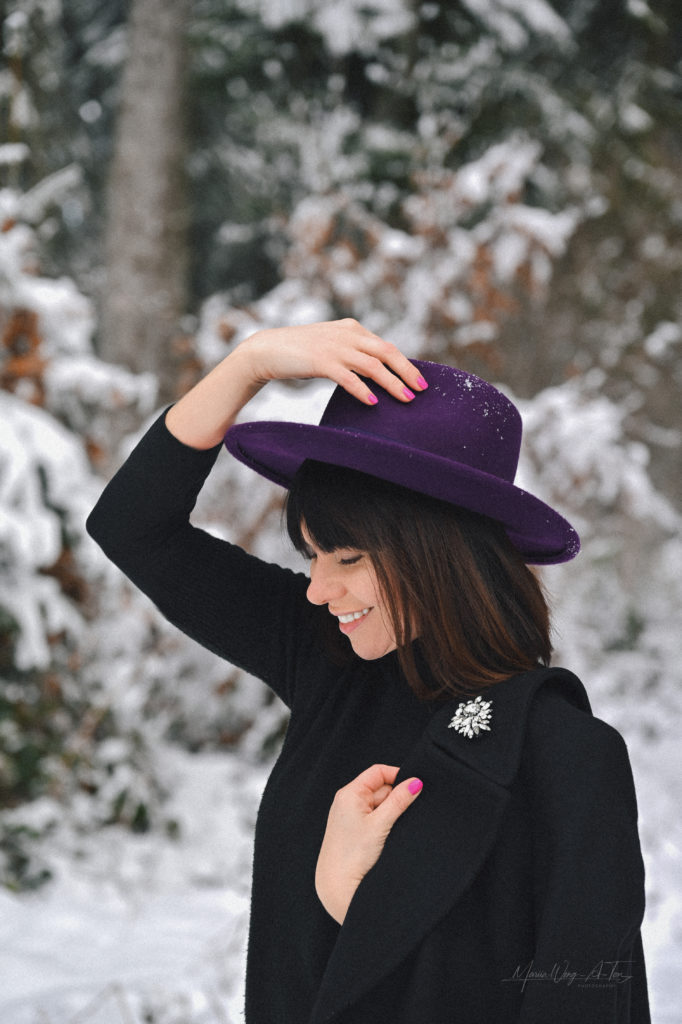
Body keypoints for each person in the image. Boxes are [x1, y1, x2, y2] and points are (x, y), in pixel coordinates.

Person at [86, 319, 650, 1023]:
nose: (320, 590)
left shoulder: (567, 759)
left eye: (348, 560)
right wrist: (250, 365)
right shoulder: (328, 660)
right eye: (312, 555)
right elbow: (135, 527)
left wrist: (353, 899)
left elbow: (580, 1002)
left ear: (439, 554)